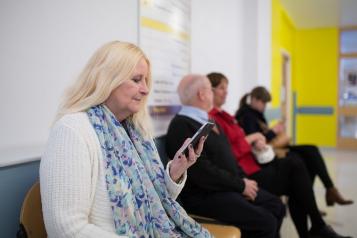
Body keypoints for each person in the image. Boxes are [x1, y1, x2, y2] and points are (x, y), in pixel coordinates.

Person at [40, 41, 212, 238]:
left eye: (146, 80)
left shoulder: (137, 132)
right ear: (108, 79)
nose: (146, 89)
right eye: (137, 79)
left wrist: (176, 172)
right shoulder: (72, 130)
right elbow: (65, 228)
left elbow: (155, 204)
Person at [207, 72, 352, 238]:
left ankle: (316, 225)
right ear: (207, 91)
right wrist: (256, 138)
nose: (226, 92)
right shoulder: (215, 118)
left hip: (252, 163)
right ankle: (318, 226)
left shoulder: (227, 116)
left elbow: (237, 144)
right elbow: (228, 152)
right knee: (296, 166)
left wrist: (258, 140)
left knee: (299, 167)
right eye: (221, 88)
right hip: (247, 172)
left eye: (227, 88)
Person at [166, 74, 286, 238]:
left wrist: (244, 180)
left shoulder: (207, 120)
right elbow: (202, 173)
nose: (214, 94)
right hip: (205, 196)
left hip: (226, 187)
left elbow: (228, 155)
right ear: (202, 94)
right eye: (210, 89)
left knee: (277, 206)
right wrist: (240, 185)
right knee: (266, 223)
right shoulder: (181, 125)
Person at [235, 85, 353, 207]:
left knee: (311, 152)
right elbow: (255, 140)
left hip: (268, 150)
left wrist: (272, 132)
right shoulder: (241, 115)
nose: (265, 106)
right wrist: (273, 132)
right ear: (254, 99)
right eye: (221, 88)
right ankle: (314, 199)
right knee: (306, 157)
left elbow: (256, 136)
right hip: (263, 157)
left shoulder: (249, 114)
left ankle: (317, 197)